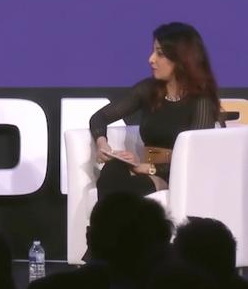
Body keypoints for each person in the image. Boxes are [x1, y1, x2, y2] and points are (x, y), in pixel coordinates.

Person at [90, 22, 221, 200]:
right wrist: (103, 145)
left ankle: (102, 226)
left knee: (123, 191)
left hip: (176, 175)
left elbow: (195, 155)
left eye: (159, 53)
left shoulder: (201, 101)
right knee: (112, 170)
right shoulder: (148, 89)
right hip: (144, 168)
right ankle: (104, 225)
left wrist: (149, 168)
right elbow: (99, 118)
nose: (151, 59)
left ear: (180, 59)